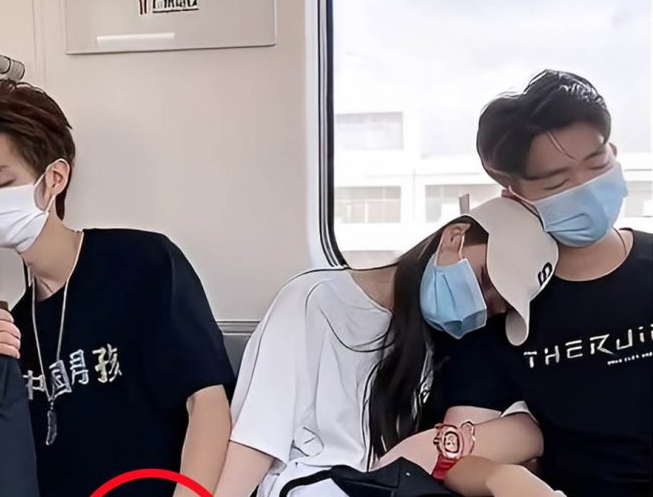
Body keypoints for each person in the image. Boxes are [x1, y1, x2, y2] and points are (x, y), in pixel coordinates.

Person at [0, 79, 235, 496]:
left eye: (0, 183)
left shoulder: (143, 263)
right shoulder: (13, 328)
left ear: (54, 178)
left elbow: (207, 402)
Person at [215, 197, 562, 496]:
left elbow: (522, 432)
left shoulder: (443, 344)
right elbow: (257, 439)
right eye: (484, 280)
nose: (479, 306)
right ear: (454, 237)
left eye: (494, 308)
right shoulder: (313, 300)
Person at [426, 70, 653, 496]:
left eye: (598, 164)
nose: (587, 187)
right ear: (514, 195)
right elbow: (454, 455)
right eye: (557, 182)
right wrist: (498, 477)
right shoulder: (507, 305)